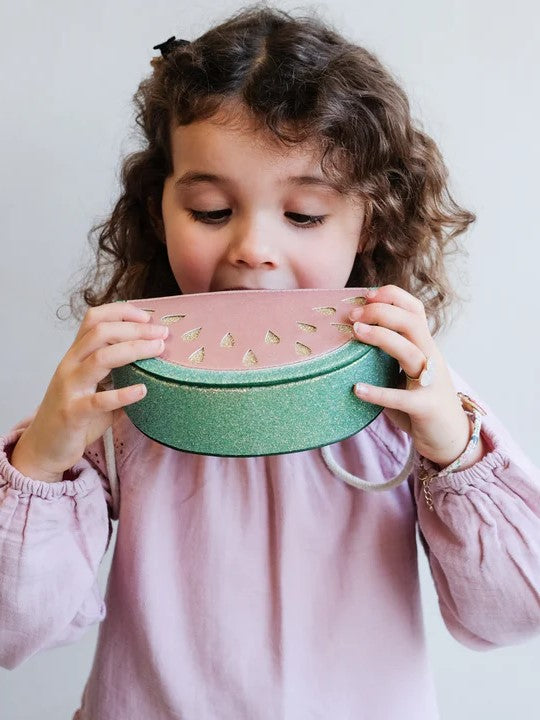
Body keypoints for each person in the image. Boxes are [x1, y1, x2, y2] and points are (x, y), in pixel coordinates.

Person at [1, 5, 539, 719]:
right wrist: (41, 459)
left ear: (370, 220)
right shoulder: (119, 401)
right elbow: (14, 628)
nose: (253, 249)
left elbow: (515, 613)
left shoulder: (413, 394)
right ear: (158, 210)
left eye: (305, 216)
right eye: (212, 211)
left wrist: (454, 449)